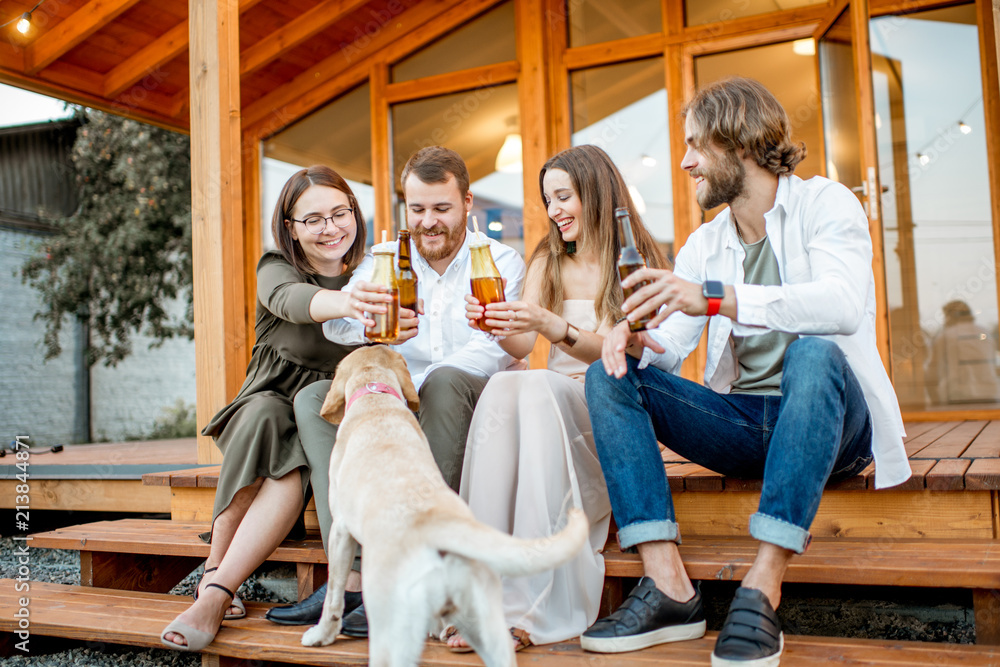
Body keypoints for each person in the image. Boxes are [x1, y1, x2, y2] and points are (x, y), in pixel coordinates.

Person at [580, 77, 910, 666]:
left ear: (740, 141)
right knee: (608, 375)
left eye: (695, 146)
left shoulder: (826, 203)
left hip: (833, 424)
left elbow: (837, 303)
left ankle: (763, 582)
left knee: (812, 352)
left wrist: (717, 298)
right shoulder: (704, 244)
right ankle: (667, 586)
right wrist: (633, 343)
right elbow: (672, 343)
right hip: (744, 423)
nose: (684, 162)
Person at [265, 145, 527, 632]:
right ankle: (355, 577)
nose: (428, 221)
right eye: (418, 208)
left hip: (468, 395)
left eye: (441, 208)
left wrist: (410, 388)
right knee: (312, 400)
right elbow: (338, 329)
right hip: (401, 396)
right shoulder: (385, 259)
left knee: (443, 381)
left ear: (468, 202)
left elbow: (494, 349)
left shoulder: (499, 260)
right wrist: (371, 322)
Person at [444, 145, 667, 652]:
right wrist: (494, 323)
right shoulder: (548, 257)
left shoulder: (637, 258)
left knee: (540, 386)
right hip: (550, 406)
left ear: (595, 191)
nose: (555, 211)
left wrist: (555, 326)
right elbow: (523, 344)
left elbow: (617, 354)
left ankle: (530, 606)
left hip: (609, 408)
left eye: (564, 197)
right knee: (507, 382)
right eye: (549, 200)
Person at [160, 165, 374, 651]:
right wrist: (348, 302)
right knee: (266, 417)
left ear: (355, 215)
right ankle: (215, 570)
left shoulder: (372, 272)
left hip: (325, 412)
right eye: (313, 219)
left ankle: (214, 595)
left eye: (340, 213)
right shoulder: (277, 265)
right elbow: (292, 301)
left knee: (297, 455)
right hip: (266, 401)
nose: (330, 227)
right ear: (292, 228)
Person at [926, 300, 999, 404]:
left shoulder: (946, 336)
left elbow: (932, 371)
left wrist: (934, 400)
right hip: (990, 395)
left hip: (959, 398)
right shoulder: (985, 333)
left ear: (949, 316)